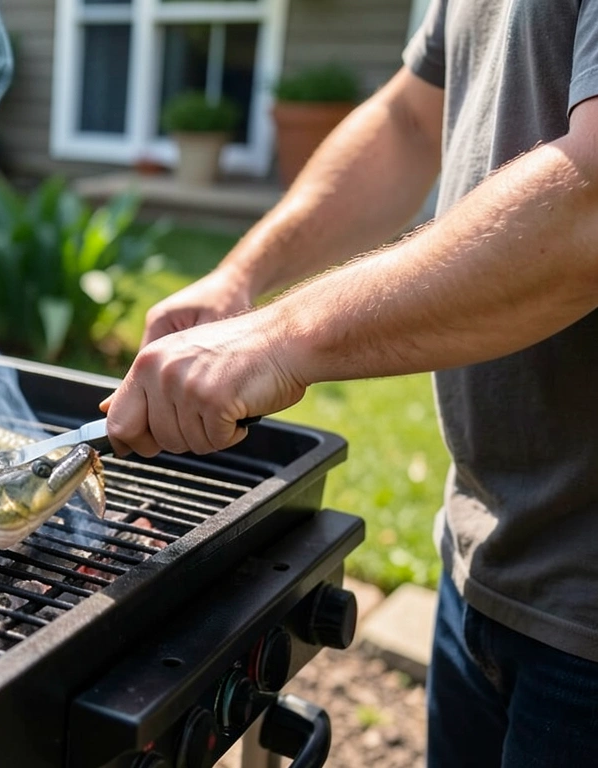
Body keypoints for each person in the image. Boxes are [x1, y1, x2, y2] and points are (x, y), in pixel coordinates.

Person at [101, 1, 598, 764]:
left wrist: (277, 338)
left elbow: (588, 205)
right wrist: (244, 278)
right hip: (487, 551)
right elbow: (407, 120)